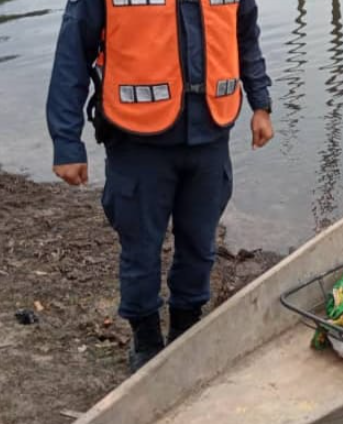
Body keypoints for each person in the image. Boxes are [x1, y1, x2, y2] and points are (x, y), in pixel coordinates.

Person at [46, 0, 275, 372]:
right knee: (140, 249)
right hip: (138, 141)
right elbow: (73, 53)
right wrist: (66, 142)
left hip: (209, 136)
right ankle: (146, 340)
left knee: (201, 246)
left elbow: (245, 36)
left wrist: (261, 105)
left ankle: (186, 329)